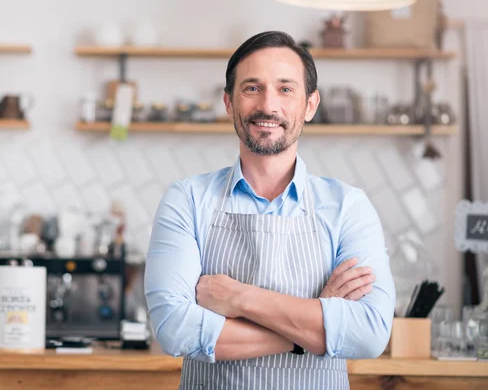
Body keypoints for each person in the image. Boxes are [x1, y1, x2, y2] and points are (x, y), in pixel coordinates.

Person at [144, 31, 396, 390]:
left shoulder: (347, 207)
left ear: (310, 105)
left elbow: (370, 334)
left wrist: (239, 299)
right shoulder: (187, 200)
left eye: (285, 89)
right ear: (229, 103)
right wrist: (309, 328)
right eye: (251, 88)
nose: (268, 105)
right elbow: (174, 330)